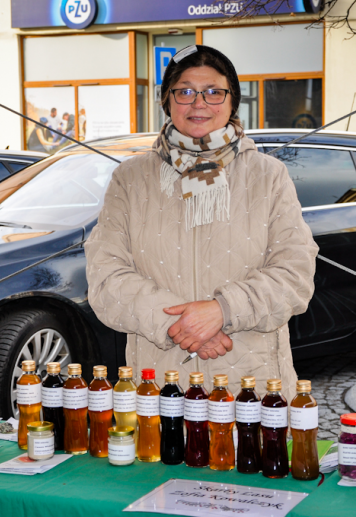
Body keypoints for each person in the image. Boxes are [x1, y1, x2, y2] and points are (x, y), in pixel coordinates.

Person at [85, 45, 319, 400]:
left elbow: (295, 274)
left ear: (231, 101)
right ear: (167, 100)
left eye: (213, 91)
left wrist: (223, 311)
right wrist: (181, 325)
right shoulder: (130, 179)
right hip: (160, 388)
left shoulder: (267, 175)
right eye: (185, 91)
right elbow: (106, 278)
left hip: (253, 385)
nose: (199, 103)